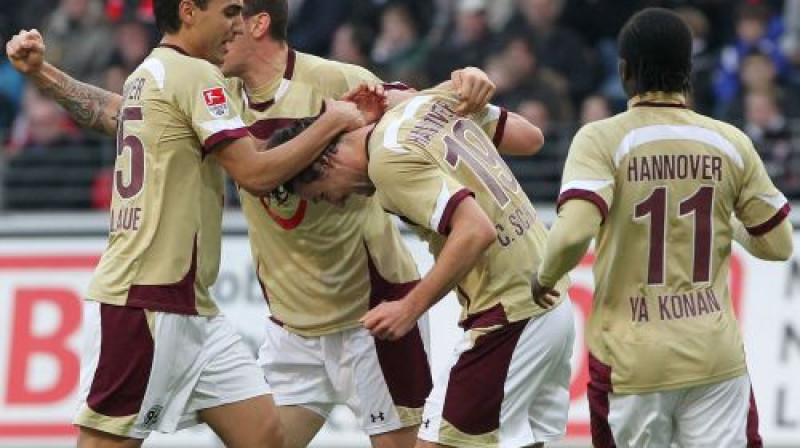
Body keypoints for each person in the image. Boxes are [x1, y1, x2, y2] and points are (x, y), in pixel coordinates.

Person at [5, 1, 496, 446]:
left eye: (240, 13)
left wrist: (467, 87)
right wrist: (334, 122)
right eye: (227, 12)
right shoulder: (205, 83)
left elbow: (420, 114)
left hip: (366, 315)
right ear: (191, 12)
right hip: (266, 323)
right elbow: (237, 165)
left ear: (260, 24)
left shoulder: (334, 78)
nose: (233, 24)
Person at [529, 8, 794, 448]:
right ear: (688, 70)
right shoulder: (729, 140)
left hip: (632, 363)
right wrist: (727, 220)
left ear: (624, 70)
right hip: (715, 358)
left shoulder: (600, 139)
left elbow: (574, 233)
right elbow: (779, 243)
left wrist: (545, 276)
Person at [279, 86, 575, 448]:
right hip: (552, 302)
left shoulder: (387, 161)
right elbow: (531, 138)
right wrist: (471, 91)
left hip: (510, 314)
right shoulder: (425, 103)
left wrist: (409, 307)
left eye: (323, 194)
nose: (337, 203)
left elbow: (475, 230)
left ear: (324, 163)